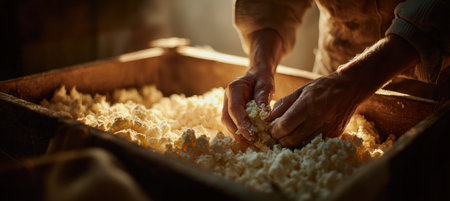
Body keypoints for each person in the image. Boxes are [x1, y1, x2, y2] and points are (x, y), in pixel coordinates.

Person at [222, 0, 450, 148]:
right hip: (328, 72)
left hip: (431, 85)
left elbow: (435, 11)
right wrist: (259, 64)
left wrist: (354, 82)